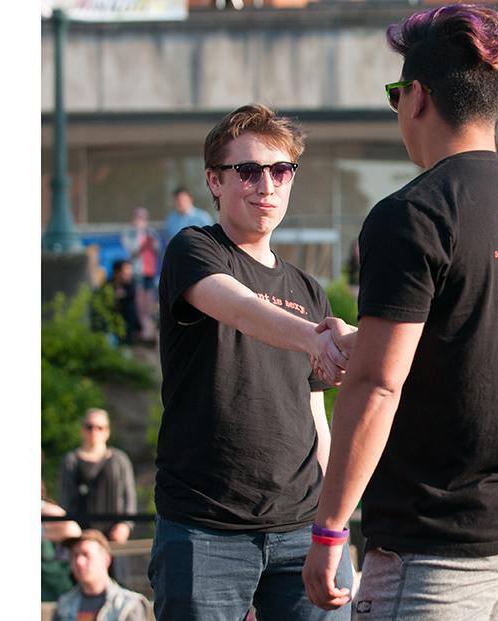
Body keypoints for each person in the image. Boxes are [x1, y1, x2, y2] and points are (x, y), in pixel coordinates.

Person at [300, 7, 498, 618]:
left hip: (444, 537)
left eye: (394, 94)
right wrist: (364, 337)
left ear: (418, 97)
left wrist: (329, 530)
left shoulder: (412, 213)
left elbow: (379, 386)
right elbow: (480, 344)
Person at [151, 103, 354, 620]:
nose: (266, 184)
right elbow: (239, 307)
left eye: (280, 170)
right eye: (248, 170)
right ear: (214, 182)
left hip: (303, 527)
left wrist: (336, 523)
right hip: (205, 527)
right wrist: (316, 337)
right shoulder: (193, 249)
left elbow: (317, 420)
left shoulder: (308, 288)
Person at [58, 408, 136, 543]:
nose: (94, 432)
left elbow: (129, 497)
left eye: (100, 428)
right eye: (89, 427)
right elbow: (66, 499)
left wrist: (125, 525)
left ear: (107, 431)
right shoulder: (71, 461)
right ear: (82, 429)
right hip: (81, 538)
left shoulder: (119, 459)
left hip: (114, 537)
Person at [53, 530, 153, 621]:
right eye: (75, 555)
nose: (79, 562)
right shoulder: (64, 604)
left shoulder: (129, 604)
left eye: (86, 554)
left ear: (106, 559)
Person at [120, 206, 161, 342]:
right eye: (138, 217)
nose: (141, 221)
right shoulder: (129, 233)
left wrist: (152, 243)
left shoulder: (151, 232)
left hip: (150, 270)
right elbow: (130, 251)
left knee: (150, 301)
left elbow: (158, 250)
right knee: (138, 300)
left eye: (143, 218)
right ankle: (141, 328)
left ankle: (149, 330)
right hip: (137, 271)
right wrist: (143, 243)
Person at [105, 259, 141, 345]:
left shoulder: (129, 285)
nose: (128, 273)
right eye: (125, 270)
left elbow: (130, 296)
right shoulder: (109, 285)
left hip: (127, 324)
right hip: (113, 323)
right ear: (117, 272)